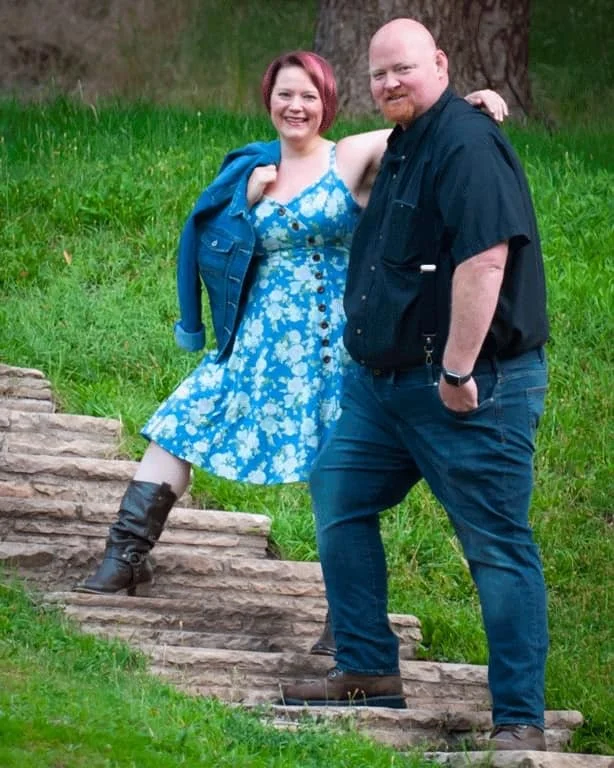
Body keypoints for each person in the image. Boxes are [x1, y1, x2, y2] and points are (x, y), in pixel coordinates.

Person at [73, 49, 508, 658]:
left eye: (307, 95)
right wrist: (242, 204)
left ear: (326, 101)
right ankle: (122, 560)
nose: (295, 106)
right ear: (268, 100)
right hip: (254, 343)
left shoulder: (350, 155)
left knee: (340, 478)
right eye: (284, 94)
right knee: (177, 427)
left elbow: (425, 127)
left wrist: (471, 105)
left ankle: (346, 618)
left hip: (334, 346)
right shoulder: (253, 170)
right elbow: (213, 242)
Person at [279, 20, 550, 754]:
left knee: (495, 546)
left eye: (403, 69)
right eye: (377, 75)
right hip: (382, 387)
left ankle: (519, 718)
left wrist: (459, 369)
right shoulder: (407, 141)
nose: (389, 83)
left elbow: (486, 260)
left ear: (441, 63)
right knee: (339, 494)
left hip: (468, 387)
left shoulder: (464, 144)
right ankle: (367, 668)